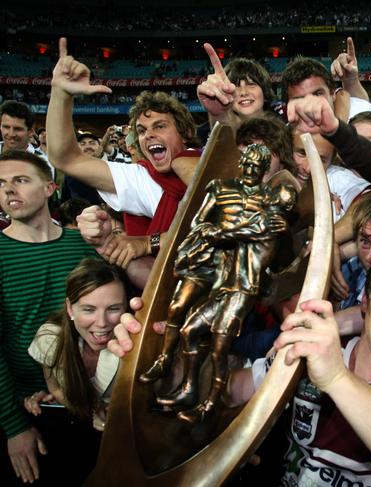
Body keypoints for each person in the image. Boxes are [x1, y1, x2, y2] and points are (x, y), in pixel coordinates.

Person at [111, 247, 371, 481]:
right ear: (364, 303)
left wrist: (336, 378)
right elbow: (226, 391)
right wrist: (164, 360)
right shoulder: (314, 350)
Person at [140, 144, 298, 424]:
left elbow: (241, 235)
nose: (275, 203)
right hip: (225, 284)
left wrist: (218, 232)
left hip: (242, 289)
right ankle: (189, 390)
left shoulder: (272, 226)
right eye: (246, 165)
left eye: (281, 203)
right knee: (189, 330)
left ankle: (210, 404)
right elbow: (208, 226)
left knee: (218, 348)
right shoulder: (256, 217)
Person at [47, 38, 201, 268]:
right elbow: (65, 158)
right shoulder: (141, 178)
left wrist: (150, 242)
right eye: (141, 130)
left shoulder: (213, 162)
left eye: (159, 126)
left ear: (186, 132)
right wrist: (60, 93)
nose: (148, 135)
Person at [0, 150, 97, 484]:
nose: (8, 190)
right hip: (27, 410)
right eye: (1, 184)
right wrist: (13, 426)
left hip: (86, 402)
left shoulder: (82, 246)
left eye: (20, 180)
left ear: (50, 188)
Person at [24, 258, 131, 430]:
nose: (102, 323)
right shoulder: (49, 339)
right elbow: (56, 389)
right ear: (70, 308)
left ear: (126, 306)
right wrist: (90, 411)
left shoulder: (137, 343)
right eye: (89, 309)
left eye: (113, 308)